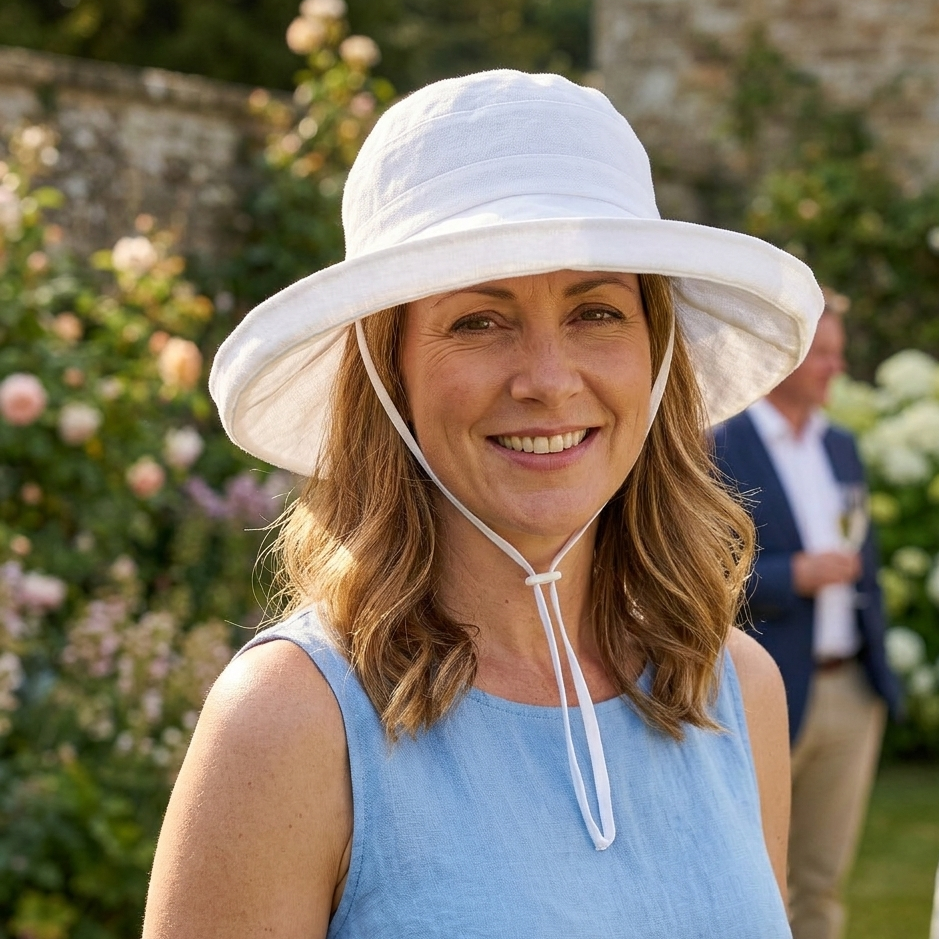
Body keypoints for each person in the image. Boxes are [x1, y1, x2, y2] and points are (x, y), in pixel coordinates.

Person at [143, 70, 824, 938]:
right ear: (387, 373)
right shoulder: (294, 722)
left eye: (597, 312)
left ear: (656, 359)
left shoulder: (730, 688)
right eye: (478, 321)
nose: (547, 380)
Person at [712, 300, 902, 939]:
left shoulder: (840, 444)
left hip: (851, 690)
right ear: (786, 358)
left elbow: (862, 560)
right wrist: (794, 576)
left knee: (823, 882)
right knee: (756, 880)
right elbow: (699, 574)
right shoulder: (722, 443)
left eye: (837, 353)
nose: (836, 367)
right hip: (768, 686)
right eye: (823, 354)